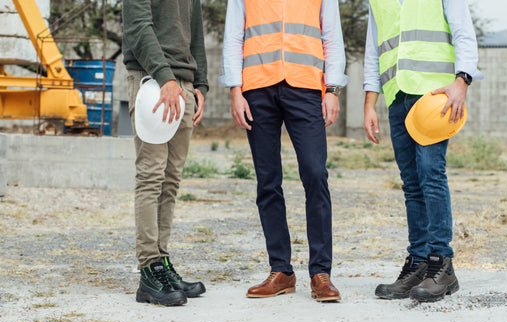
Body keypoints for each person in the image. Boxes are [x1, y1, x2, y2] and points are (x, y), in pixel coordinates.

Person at [219, 0, 348, 301]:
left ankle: (320, 273)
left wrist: (332, 89)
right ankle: (281, 271)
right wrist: (235, 91)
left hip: (305, 88)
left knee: (315, 174)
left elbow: (331, 36)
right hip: (257, 88)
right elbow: (233, 37)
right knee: (268, 180)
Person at [363, 0, 482, 302]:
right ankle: (418, 264)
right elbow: (373, 51)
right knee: (412, 184)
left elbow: (463, 32)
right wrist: (369, 103)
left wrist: (462, 80)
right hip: (396, 95)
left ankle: (442, 264)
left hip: (433, 95)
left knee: (430, 174)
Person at [123, 0, 209, 306]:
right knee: (152, 175)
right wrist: (165, 76)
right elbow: (137, 26)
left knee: (171, 179)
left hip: (183, 84)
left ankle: (162, 262)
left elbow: (195, 32)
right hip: (152, 80)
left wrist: (200, 83)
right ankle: (149, 269)